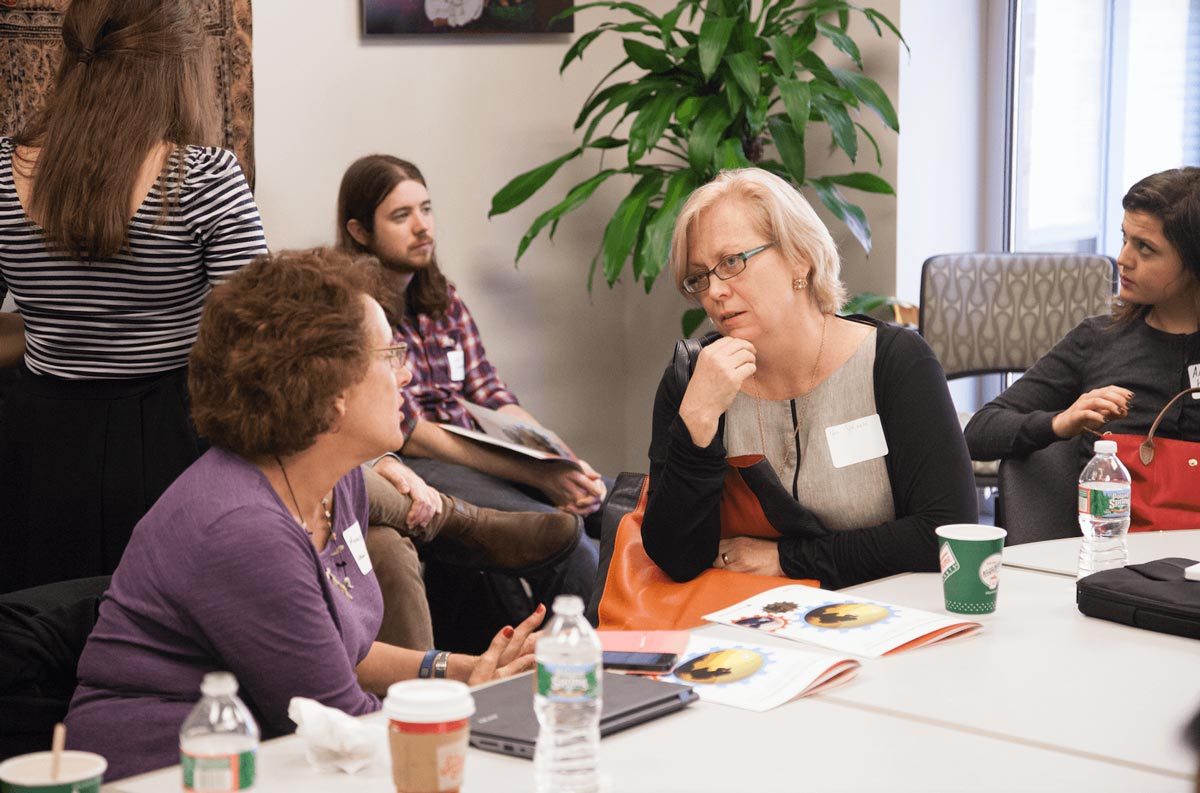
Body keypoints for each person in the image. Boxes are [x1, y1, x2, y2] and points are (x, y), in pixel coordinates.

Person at [65, 249, 542, 780]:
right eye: (390, 356)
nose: (406, 377)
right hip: (165, 772)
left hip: (270, 761)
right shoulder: (244, 530)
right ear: (331, 391)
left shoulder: (338, 487)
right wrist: (458, 702)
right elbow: (349, 729)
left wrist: (464, 668)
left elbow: (343, 654)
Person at [0, 0, 268, 592]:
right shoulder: (205, 177)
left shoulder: (2, 171)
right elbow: (258, 340)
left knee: (42, 628)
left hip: (35, 442)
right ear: (176, 69)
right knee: (166, 631)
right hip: (169, 437)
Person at [640, 168, 977, 590]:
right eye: (700, 277)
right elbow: (676, 560)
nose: (715, 292)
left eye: (732, 262)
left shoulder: (894, 363)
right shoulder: (694, 380)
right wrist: (697, 424)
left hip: (882, 620)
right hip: (745, 633)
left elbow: (946, 533)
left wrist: (787, 560)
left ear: (800, 257)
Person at [337, 155, 603, 648]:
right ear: (359, 231)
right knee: (567, 538)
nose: (423, 227)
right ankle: (571, 669)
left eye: (427, 209)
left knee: (611, 502)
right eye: (401, 216)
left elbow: (492, 394)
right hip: (428, 461)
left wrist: (557, 455)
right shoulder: (359, 312)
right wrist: (535, 474)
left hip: (490, 456)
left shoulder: (444, 300)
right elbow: (412, 433)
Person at [964, 167, 1200, 472]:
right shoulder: (1098, 338)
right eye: (1125, 239)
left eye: (1145, 248)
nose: (1123, 260)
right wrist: (1060, 423)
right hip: (1111, 519)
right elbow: (980, 431)